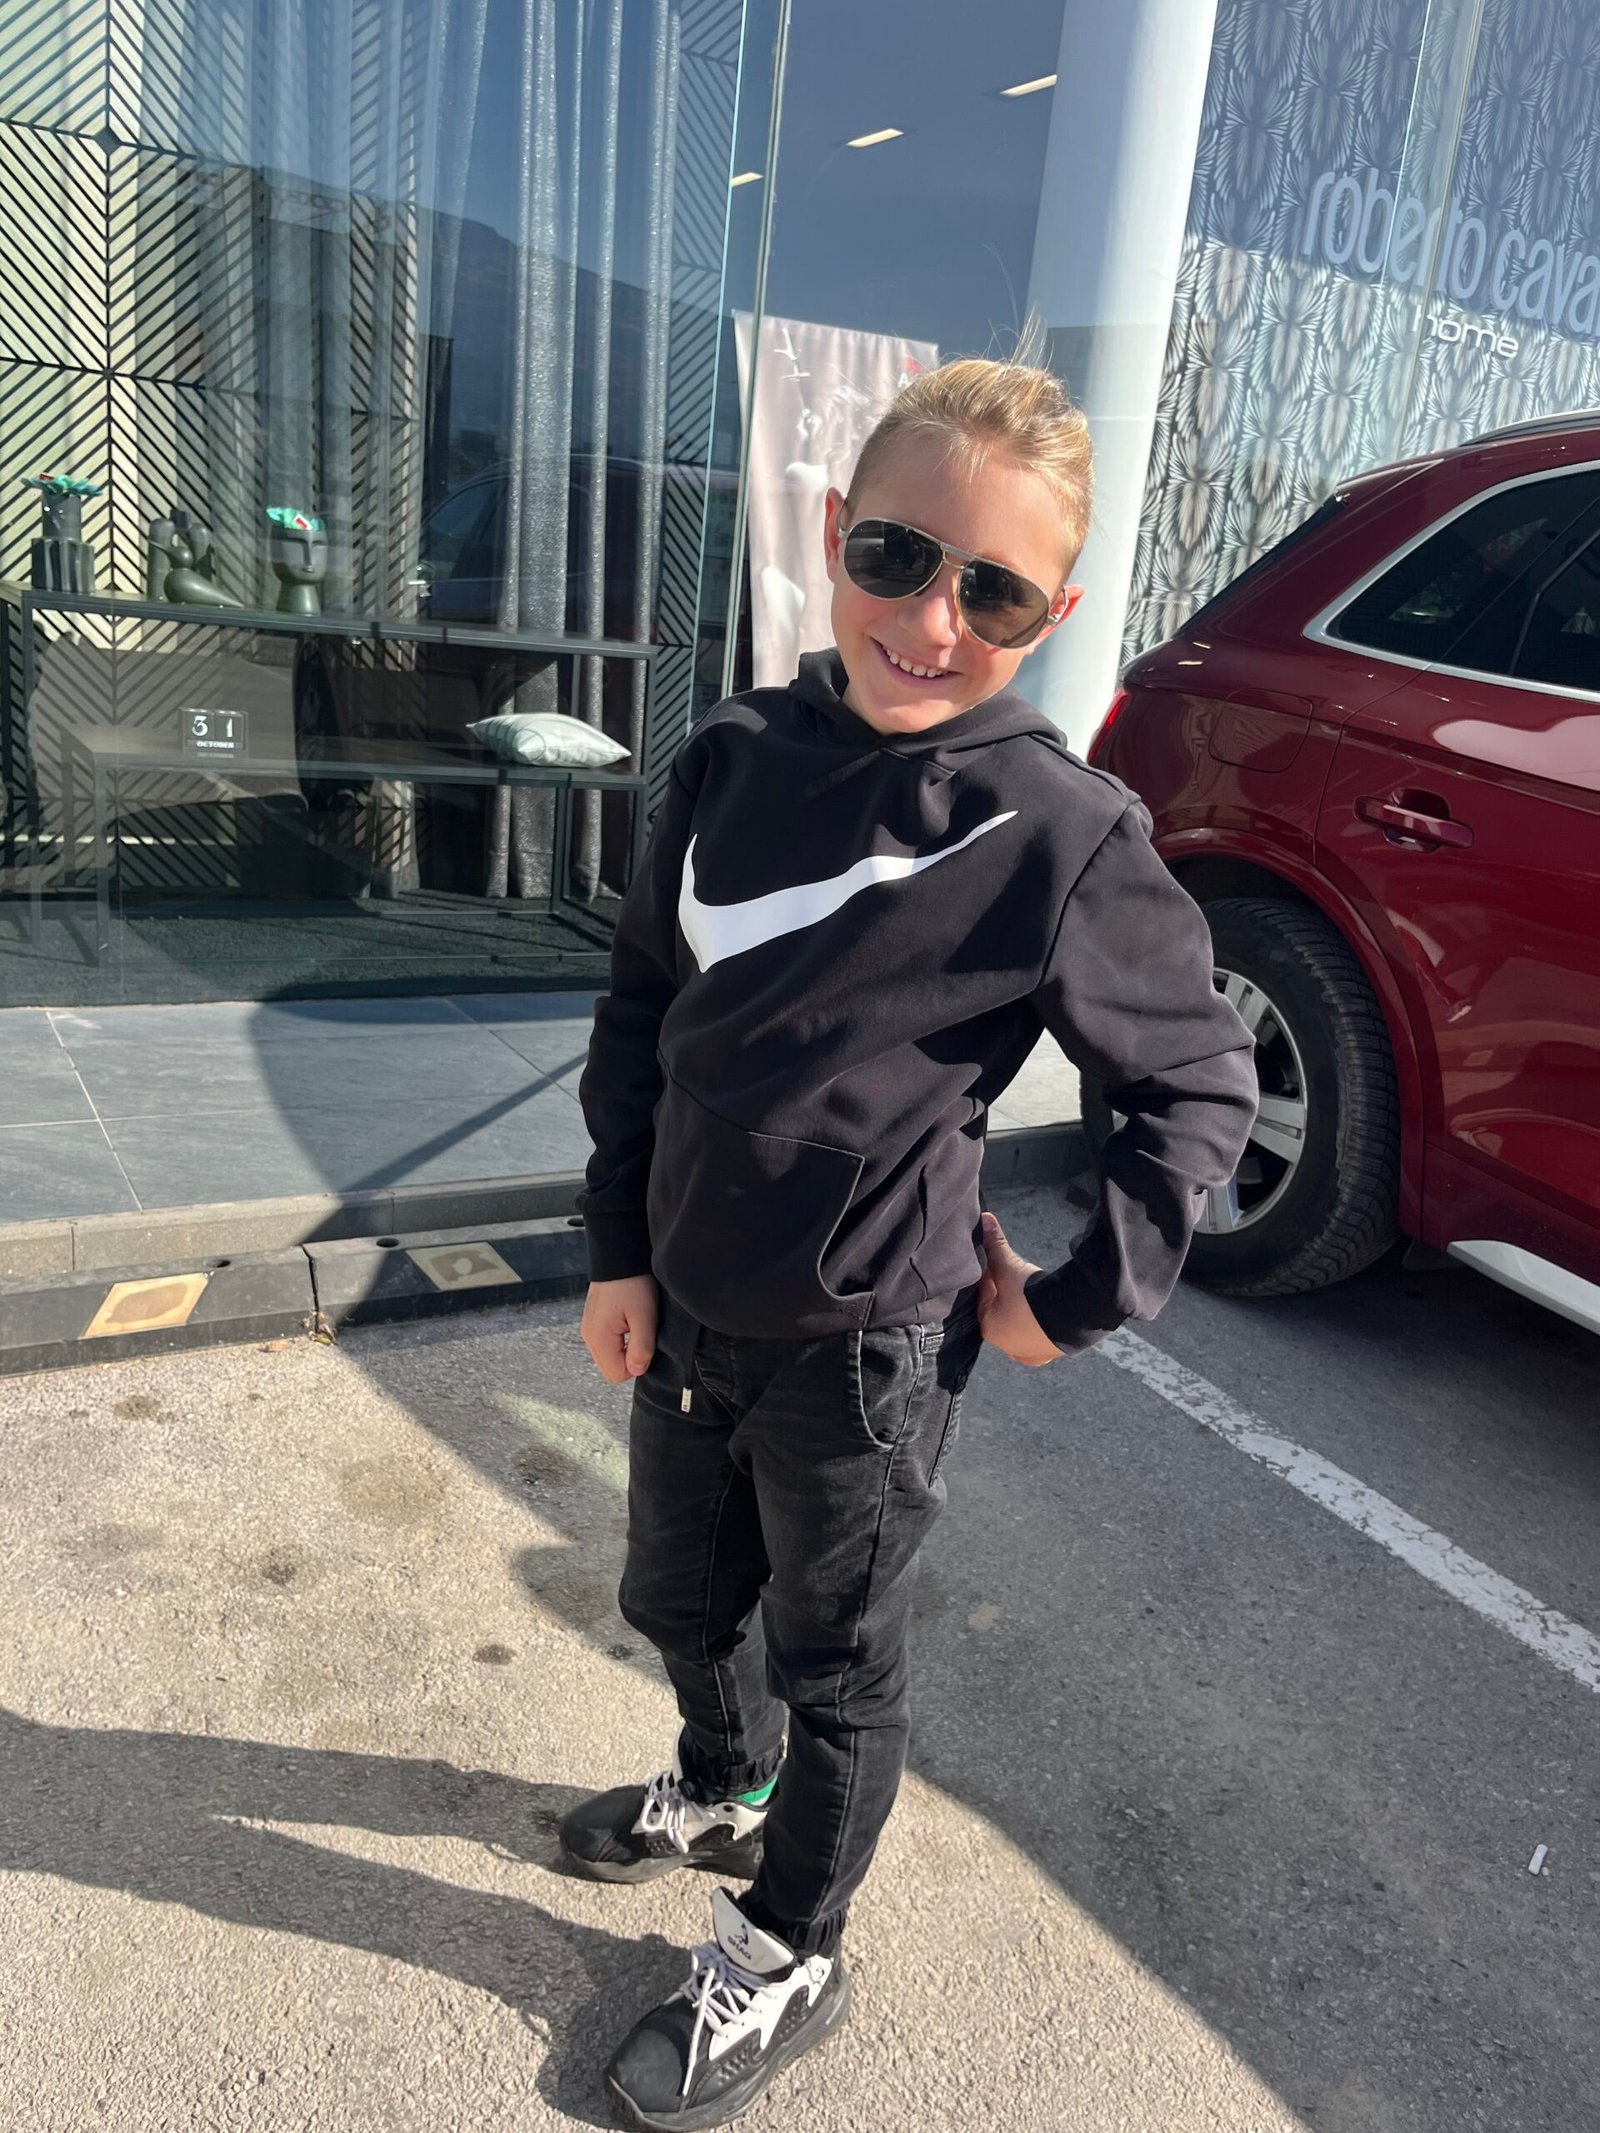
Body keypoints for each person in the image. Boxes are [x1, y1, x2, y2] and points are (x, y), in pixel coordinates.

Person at [567, 355, 1259, 2131]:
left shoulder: (1060, 830)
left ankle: (791, 1940)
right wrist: (616, 1245)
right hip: (686, 1296)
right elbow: (644, 1005)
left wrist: (1079, 1296)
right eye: (896, 554)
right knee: (673, 1596)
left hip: (868, 1351)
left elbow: (1199, 1080)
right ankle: (721, 1784)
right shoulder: (731, 753)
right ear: (833, 533)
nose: (932, 619)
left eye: (994, 592)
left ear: (1053, 615)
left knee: (836, 1660)